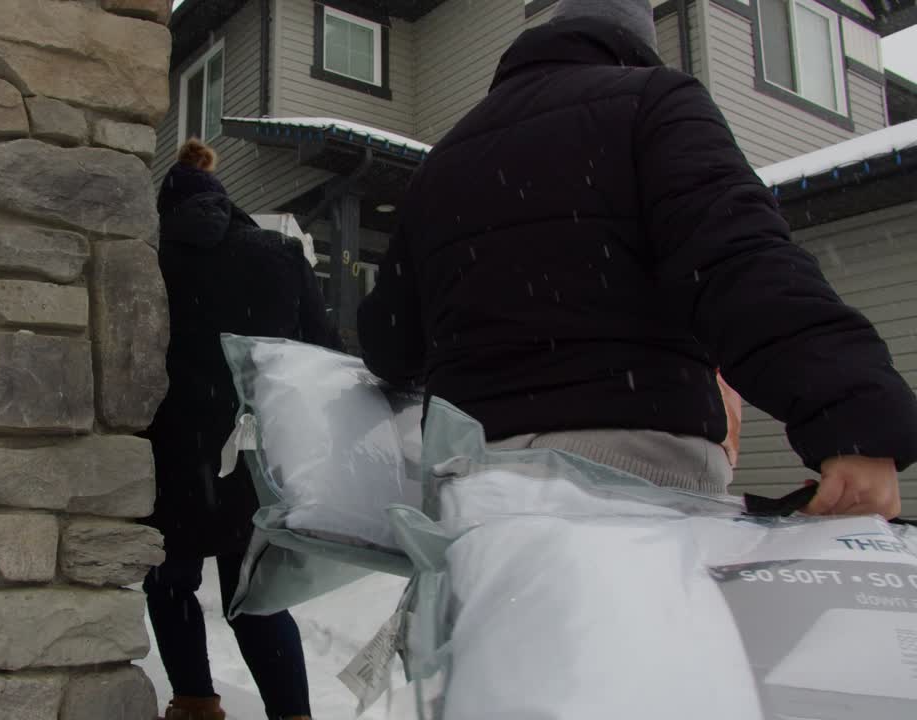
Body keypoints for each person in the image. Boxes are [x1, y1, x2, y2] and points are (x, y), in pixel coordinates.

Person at [358, 0, 917, 518]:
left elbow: (388, 342)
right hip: (629, 478)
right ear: (634, 44)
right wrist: (849, 412)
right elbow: (739, 257)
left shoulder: (444, 160)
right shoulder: (655, 102)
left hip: (469, 491)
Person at [143, 139, 338, 720]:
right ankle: (292, 714)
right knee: (255, 593)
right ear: (225, 201)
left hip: (168, 455)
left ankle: (196, 704)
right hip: (251, 453)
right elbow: (323, 356)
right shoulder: (278, 254)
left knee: (171, 582)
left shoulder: (146, 258)